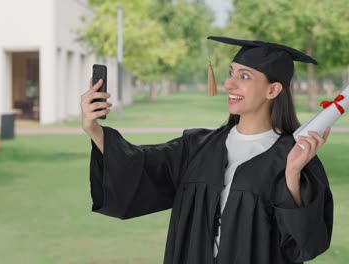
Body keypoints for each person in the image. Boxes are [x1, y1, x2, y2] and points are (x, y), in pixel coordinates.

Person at [81, 36, 333, 264]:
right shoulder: (197, 147)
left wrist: (292, 176)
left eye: (244, 76)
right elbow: (138, 165)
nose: (229, 83)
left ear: (273, 90)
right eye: (231, 73)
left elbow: (305, 245)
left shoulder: (296, 156)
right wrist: (93, 128)